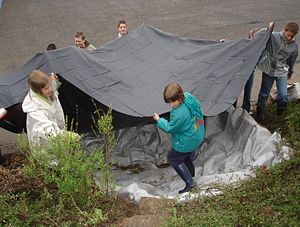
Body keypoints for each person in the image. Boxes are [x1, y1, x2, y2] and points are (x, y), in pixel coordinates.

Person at [153, 83, 205, 194]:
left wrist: (159, 120)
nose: (171, 105)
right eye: (169, 102)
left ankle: (190, 183)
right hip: (196, 134)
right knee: (186, 156)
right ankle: (191, 174)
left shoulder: (179, 114)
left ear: (180, 98)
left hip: (187, 141)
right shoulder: (188, 97)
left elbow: (170, 128)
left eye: (173, 102)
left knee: (174, 158)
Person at [22, 70, 79, 148]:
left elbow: (53, 85)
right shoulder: (35, 110)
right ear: (37, 91)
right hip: (45, 142)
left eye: (50, 86)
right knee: (52, 157)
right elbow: (48, 130)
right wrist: (69, 136)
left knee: (62, 150)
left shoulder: (47, 89)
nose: (50, 89)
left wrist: (53, 79)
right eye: (46, 88)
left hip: (58, 131)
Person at [255, 22, 298, 120]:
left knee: (283, 95)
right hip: (269, 69)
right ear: (284, 30)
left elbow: (292, 61)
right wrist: (268, 28)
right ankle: (260, 114)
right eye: (288, 35)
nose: (289, 38)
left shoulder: (294, 47)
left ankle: (279, 114)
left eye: (292, 36)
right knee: (264, 94)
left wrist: (290, 72)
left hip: (282, 71)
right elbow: (259, 35)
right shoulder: (274, 36)